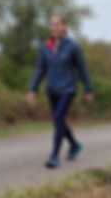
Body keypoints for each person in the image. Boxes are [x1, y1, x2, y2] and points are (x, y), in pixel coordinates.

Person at [26, 15, 94, 168]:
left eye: (57, 24)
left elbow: (82, 69)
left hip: (68, 89)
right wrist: (33, 89)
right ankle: (74, 144)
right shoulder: (45, 47)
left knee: (58, 119)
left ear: (64, 26)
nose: (54, 27)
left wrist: (88, 89)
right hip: (52, 89)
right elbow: (39, 70)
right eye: (52, 24)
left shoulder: (73, 46)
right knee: (59, 121)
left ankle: (54, 156)